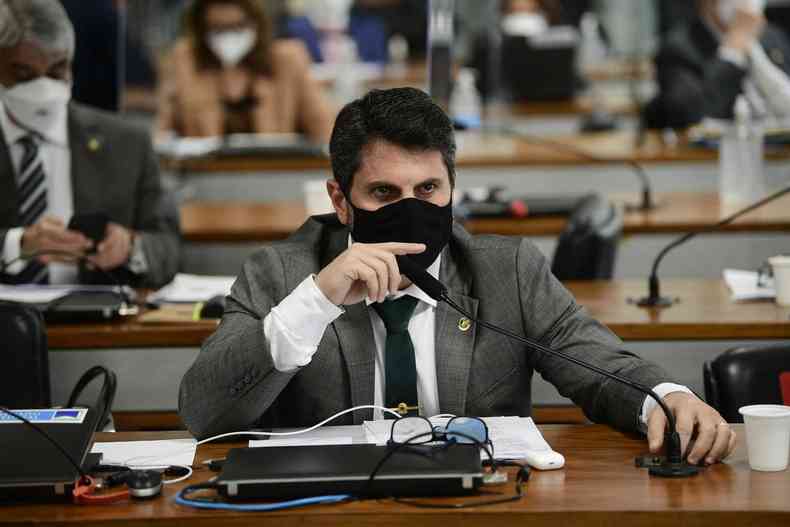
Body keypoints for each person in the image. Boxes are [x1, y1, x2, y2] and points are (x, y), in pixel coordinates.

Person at [180, 87, 736, 467]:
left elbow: (593, 359)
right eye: (382, 193)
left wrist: (666, 397)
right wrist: (314, 304)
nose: (410, 209)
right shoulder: (282, 273)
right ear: (340, 201)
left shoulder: (504, 269)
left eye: (427, 190)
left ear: (452, 187)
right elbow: (204, 413)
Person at [0, 0, 179, 287]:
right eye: (24, 73)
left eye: (57, 70)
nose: (44, 87)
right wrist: (17, 244)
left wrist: (130, 247)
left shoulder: (127, 143)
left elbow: (167, 248)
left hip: (98, 321)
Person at [157, 0, 335, 142]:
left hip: (275, 173)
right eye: (218, 29)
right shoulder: (185, 62)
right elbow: (162, 136)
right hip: (205, 176)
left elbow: (325, 131)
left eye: (238, 26)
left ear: (256, 23)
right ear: (202, 30)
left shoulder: (288, 60)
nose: (229, 37)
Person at [649, 0, 790, 129]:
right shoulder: (678, 49)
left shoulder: (773, 38)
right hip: (713, 154)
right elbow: (692, 116)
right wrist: (732, 52)